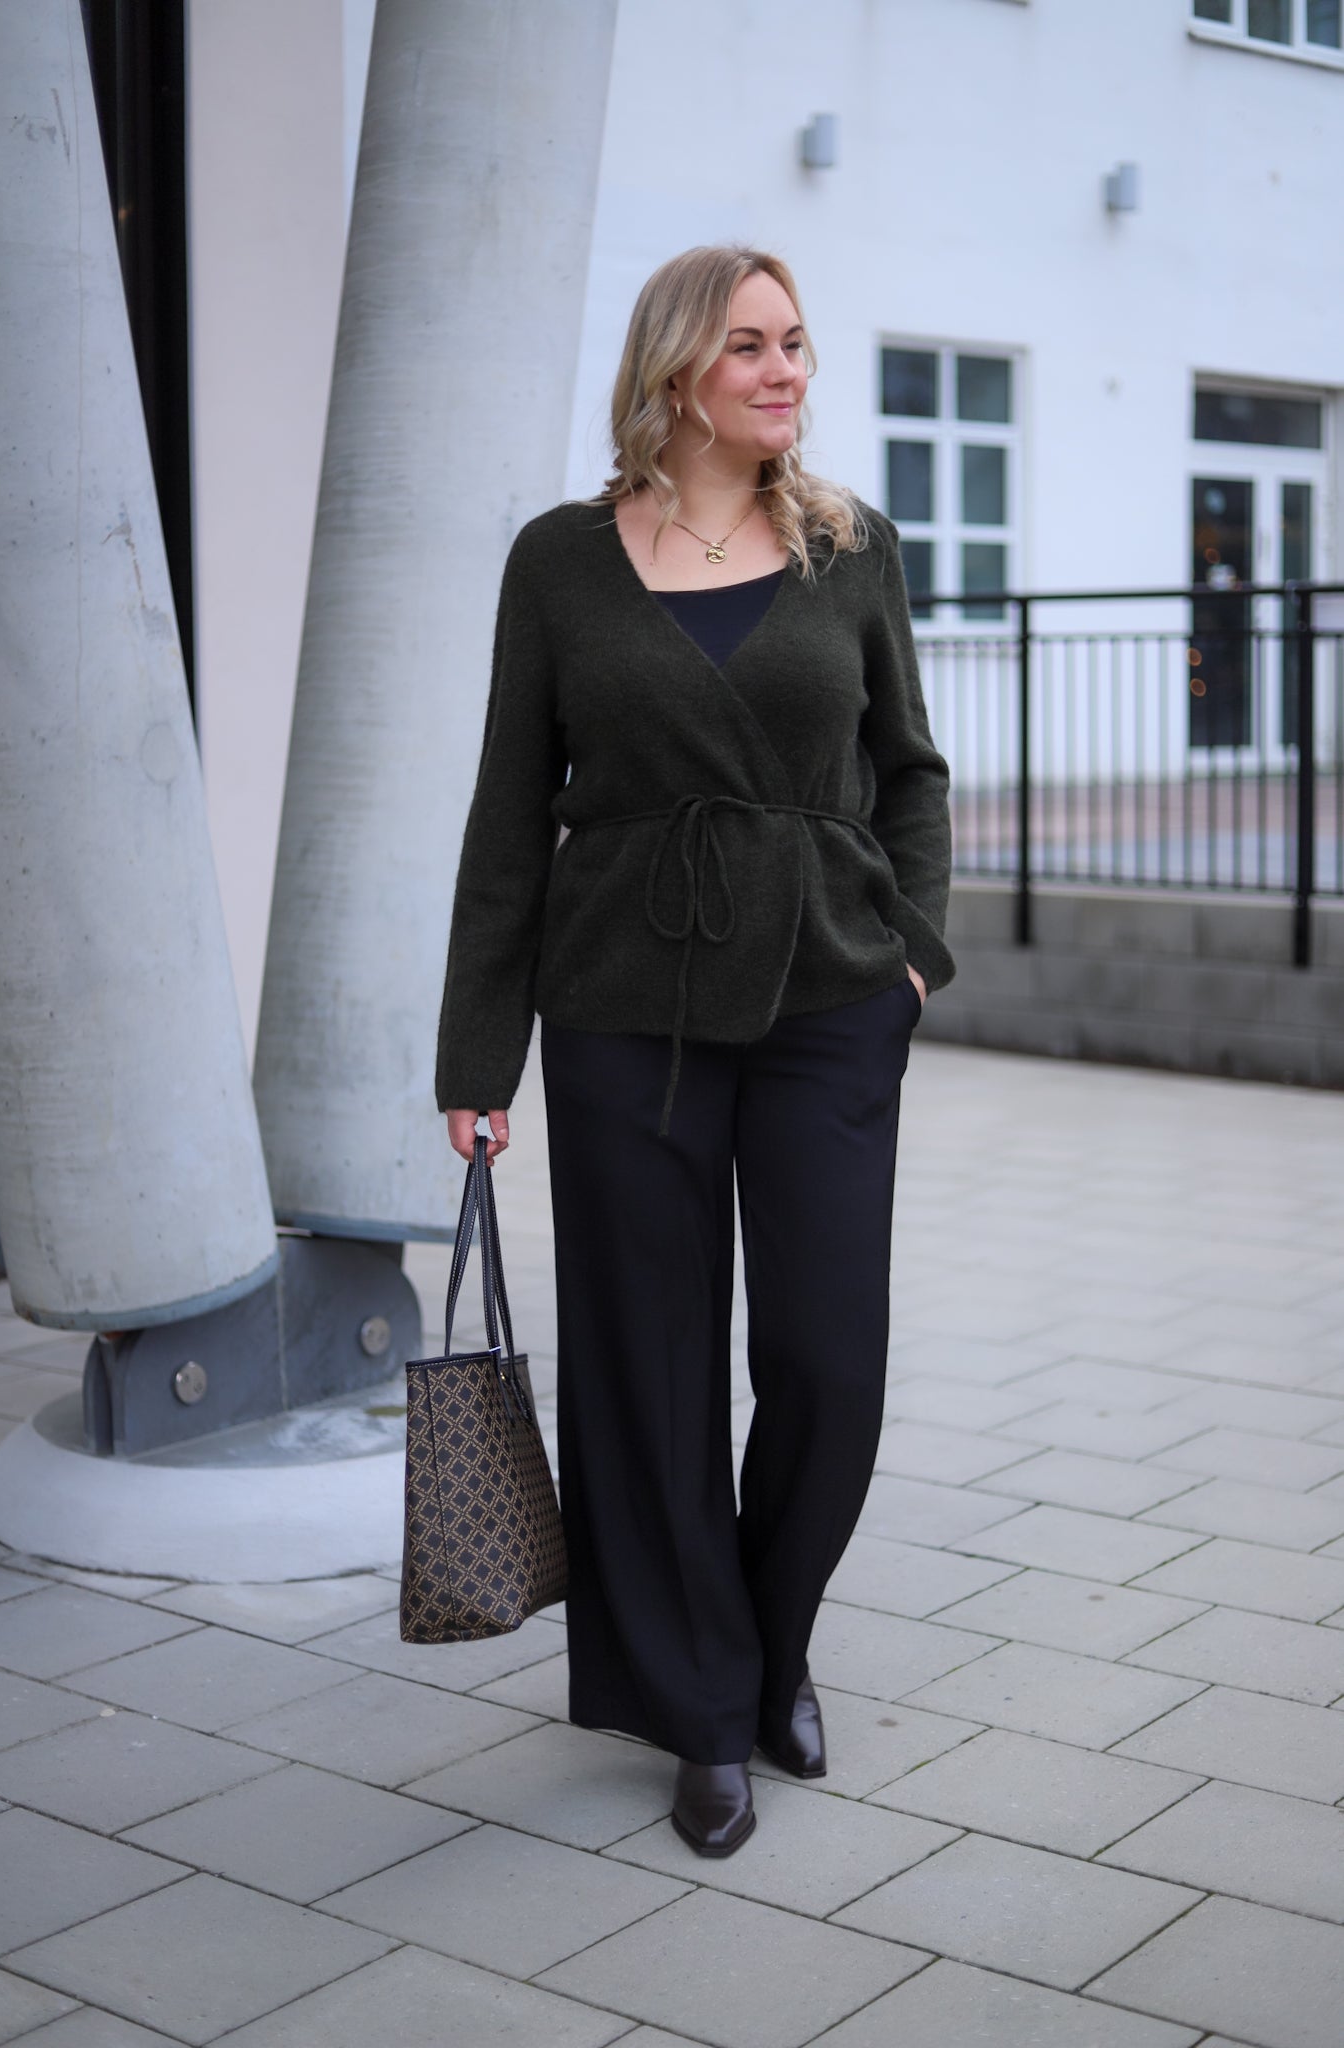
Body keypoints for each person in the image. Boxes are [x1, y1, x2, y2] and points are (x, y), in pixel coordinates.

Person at [437, 244, 953, 1858]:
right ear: (674, 372)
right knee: (648, 1367)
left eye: (795, 342)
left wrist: (912, 962)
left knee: (827, 1361)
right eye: (750, 345)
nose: (786, 370)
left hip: (825, 996)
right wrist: (476, 1058)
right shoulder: (559, 561)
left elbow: (909, 771)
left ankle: (773, 1634)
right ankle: (705, 1706)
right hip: (620, 1006)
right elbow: (507, 815)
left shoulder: (849, 547)